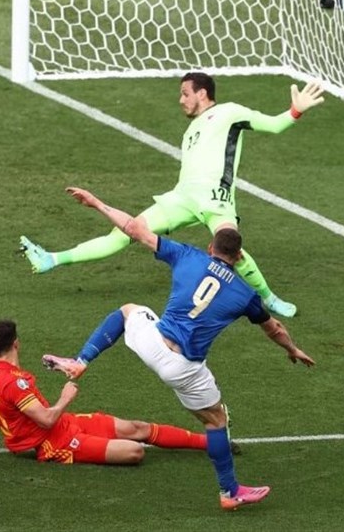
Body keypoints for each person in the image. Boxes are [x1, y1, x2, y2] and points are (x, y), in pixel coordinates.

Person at [41, 186, 315, 510]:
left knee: (128, 311)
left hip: (152, 342)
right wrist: (292, 349)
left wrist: (96, 203)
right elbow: (275, 328)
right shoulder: (246, 295)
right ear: (240, 258)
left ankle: (82, 360)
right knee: (216, 421)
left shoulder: (188, 255)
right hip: (184, 368)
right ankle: (229, 492)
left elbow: (134, 228)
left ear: (211, 247)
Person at [19, 73, 326, 318]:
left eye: (185, 93)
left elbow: (274, 125)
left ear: (202, 93)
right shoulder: (190, 131)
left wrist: (296, 110)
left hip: (216, 200)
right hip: (181, 198)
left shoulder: (230, 112)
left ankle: (269, 298)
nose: (181, 100)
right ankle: (51, 259)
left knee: (233, 248)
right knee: (125, 231)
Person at [0, 319, 216, 466]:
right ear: (16, 343)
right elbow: (46, 420)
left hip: (64, 425)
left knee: (135, 428)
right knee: (134, 451)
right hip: (52, 442)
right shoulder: (14, 383)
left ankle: (213, 443)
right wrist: (65, 397)